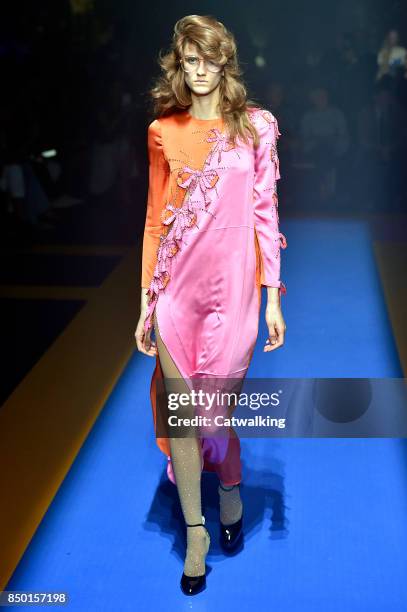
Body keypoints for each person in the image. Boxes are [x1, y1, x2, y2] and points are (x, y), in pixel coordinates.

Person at [135, 14, 287, 595]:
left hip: (238, 292)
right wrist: (147, 304)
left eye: (209, 59)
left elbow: (265, 214)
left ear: (227, 61)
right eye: (189, 61)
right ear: (181, 64)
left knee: (214, 415)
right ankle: (196, 531)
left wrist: (273, 297)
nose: (199, 72)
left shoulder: (257, 128)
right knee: (182, 414)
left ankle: (230, 486)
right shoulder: (162, 131)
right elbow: (153, 223)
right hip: (176, 293)